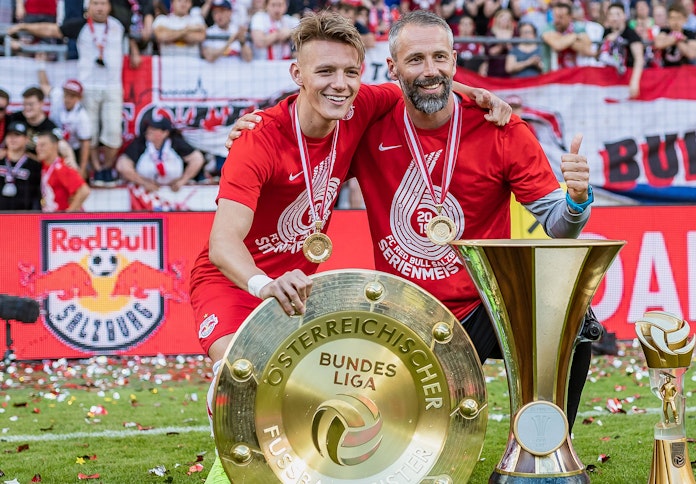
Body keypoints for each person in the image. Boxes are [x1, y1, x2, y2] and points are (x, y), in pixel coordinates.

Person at [228, 11, 594, 430]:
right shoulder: (365, 125)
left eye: (439, 57)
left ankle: (547, 444)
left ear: (454, 61)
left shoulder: (502, 128)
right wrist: (252, 135)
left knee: (572, 317)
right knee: (400, 441)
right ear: (392, 68)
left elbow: (557, 226)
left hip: (484, 306)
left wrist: (576, 202)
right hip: (403, 316)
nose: (430, 70)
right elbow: (305, 136)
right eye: (415, 59)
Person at [195, 11, 508, 483]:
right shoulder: (258, 140)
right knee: (239, 375)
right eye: (324, 71)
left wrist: (478, 94)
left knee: (310, 393)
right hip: (236, 281)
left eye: (350, 72)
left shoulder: (359, 106)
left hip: (297, 286)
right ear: (297, 74)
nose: (339, 84)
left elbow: (421, 82)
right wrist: (263, 285)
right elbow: (222, 243)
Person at [9, 0, 142, 186]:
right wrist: (23, 26)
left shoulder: (119, 22)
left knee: (113, 133)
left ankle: (106, 167)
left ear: (109, 7)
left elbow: (132, 34)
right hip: (88, 87)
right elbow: (51, 30)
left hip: (113, 86)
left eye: (103, 3)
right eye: (96, 3)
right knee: (90, 132)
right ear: (89, 7)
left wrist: (134, 50)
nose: (100, 8)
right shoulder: (80, 26)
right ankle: (96, 169)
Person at [115, 116, 206, 193]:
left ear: (165, 133)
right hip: (145, 192)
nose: (149, 131)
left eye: (154, 129)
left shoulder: (176, 142)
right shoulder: (140, 143)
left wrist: (183, 180)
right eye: (148, 128)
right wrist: (143, 182)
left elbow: (197, 159)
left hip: (174, 190)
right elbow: (122, 165)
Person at [37, 61, 93, 179]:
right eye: (66, 94)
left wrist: (82, 169)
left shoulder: (82, 117)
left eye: (72, 96)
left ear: (79, 98)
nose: (67, 99)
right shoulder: (57, 96)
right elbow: (44, 85)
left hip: (72, 148)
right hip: (53, 143)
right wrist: (40, 64)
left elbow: (85, 144)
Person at [598, 3, 645, 98]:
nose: (614, 18)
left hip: (627, 76)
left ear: (624, 16)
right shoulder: (606, 32)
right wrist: (607, 41)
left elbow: (639, 58)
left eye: (618, 14)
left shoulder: (631, 33)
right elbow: (599, 55)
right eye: (611, 15)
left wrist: (634, 81)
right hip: (609, 78)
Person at [35, 130, 90, 212]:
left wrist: (68, 214)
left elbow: (84, 191)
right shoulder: (44, 165)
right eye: (37, 145)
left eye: (42, 145)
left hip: (61, 217)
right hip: (50, 214)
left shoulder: (62, 168)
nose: (38, 149)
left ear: (55, 145)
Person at [0, 122, 42, 211]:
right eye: (9, 135)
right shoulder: (1, 160)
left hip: (24, 216)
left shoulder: (35, 165)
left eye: (17, 135)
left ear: (26, 139)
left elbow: (37, 195)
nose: (12, 139)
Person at [653, 2, 696, 66]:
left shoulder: (690, 33)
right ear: (668, 19)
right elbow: (658, 44)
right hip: (666, 69)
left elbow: (692, 54)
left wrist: (677, 41)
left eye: (679, 18)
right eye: (672, 18)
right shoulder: (664, 31)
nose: (675, 22)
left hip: (685, 69)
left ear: (685, 19)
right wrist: (678, 37)